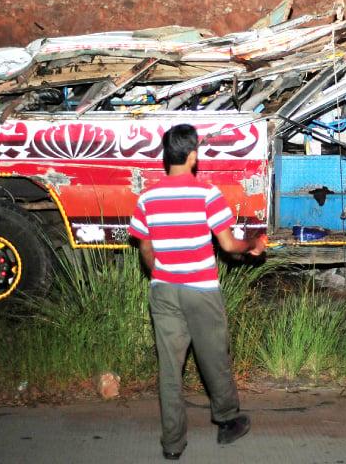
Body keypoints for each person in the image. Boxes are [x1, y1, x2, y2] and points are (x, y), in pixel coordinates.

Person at [128, 123, 266, 460]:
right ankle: (227, 422)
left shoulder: (147, 197)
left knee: (169, 370)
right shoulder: (207, 194)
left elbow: (145, 248)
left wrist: (158, 271)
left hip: (163, 290)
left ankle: (172, 445)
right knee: (214, 356)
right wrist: (253, 244)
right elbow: (229, 244)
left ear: (167, 156)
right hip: (201, 290)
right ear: (193, 155)